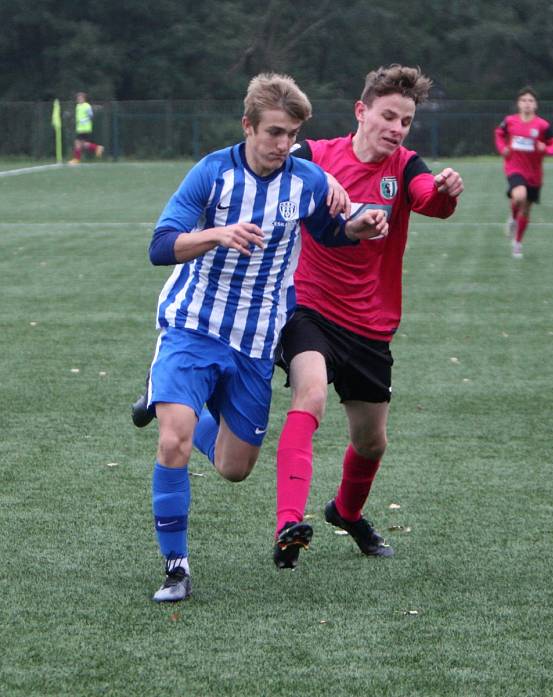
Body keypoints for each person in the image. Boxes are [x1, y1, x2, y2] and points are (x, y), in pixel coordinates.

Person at [142, 72, 387, 602]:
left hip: (256, 337)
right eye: (274, 132)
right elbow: (161, 245)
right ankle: (177, 567)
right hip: (194, 324)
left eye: (292, 135)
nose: (283, 145)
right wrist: (216, 234)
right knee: (173, 439)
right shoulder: (211, 174)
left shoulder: (307, 180)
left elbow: (327, 231)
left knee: (235, 466)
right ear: (248, 125)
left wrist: (355, 230)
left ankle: (159, 397)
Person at [268, 64, 464, 570]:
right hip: (309, 307)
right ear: (362, 111)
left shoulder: (406, 166)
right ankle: (288, 522)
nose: (397, 128)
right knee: (309, 394)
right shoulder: (317, 156)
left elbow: (429, 201)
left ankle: (346, 512)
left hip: (371, 325)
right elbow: (274, 169)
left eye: (405, 120)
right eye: (388, 116)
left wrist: (444, 190)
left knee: (371, 442)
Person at [494, 86, 553, 258]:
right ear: (518, 104)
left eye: (530, 101)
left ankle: (517, 243)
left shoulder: (542, 125)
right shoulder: (510, 121)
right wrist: (503, 148)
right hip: (514, 168)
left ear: (536, 105)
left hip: (534, 174)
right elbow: (499, 134)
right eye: (524, 100)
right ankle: (512, 216)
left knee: (526, 209)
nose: (527, 104)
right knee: (519, 196)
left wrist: (545, 149)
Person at [68, 92, 104, 164]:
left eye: (80, 98)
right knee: (84, 144)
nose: (79, 99)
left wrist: (85, 120)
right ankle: (97, 148)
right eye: (78, 98)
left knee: (77, 143)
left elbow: (91, 115)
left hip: (85, 128)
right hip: (80, 128)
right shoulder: (78, 106)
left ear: (84, 99)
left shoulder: (87, 106)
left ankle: (76, 159)